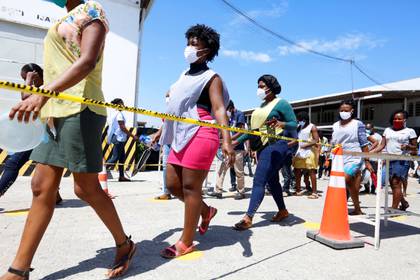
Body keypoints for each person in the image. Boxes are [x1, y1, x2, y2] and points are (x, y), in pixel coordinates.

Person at [1, 1, 135, 279]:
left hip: (80, 109)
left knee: (85, 189)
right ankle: (19, 269)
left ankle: (125, 244)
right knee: (41, 186)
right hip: (54, 111)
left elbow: (87, 61)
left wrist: (43, 94)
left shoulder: (92, 12)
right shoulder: (65, 17)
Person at [158, 24, 234, 258]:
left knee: (191, 187)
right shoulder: (182, 76)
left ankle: (186, 241)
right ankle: (206, 210)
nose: (189, 47)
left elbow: (219, 108)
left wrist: (227, 140)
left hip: (202, 131)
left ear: (207, 50)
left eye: (195, 43)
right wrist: (160, 131)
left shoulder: (212, 78)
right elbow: (175, 106)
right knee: (172, 185)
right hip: (180, 131)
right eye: (188, 42)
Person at [232, 74, 297, 230]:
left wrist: (281, 123)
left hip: (276, 146)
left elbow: (293, 124)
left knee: (259, 180)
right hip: (262, 147)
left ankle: (248, 217)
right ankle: (283, 211)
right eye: (258, 86)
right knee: (272, 181)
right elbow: (255, 132)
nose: (259, 89)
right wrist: (236, 141)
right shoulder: (260, 107)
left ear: (271, 87)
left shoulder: (281, 103)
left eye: (262, 86)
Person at [0, 64, 62, 204]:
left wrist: (28, 81)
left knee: (13, 164)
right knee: (46, 167)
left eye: (25, 78)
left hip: (43, 135)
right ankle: (55, 196)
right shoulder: (43, 88)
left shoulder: (47, 86)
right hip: (40, 133)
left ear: (35, 75)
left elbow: (25, 98)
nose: (24, 82)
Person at [331, 100, 374, 215]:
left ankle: (338, 208)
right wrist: (328, 158)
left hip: (354, 158)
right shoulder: (335, 125)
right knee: (351, 185)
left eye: (346, 110)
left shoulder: (357, 124)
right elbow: (333, 143)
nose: (343, 112)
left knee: (343, 179)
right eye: (341, 110)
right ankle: (357, 209)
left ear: (352, 111)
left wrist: (367, 161)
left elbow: (364, 143)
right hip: (338, 158)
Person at [371, 110, 417, 210]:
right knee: (393, 185)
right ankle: (404, 203)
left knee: (396, 183)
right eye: (395, 118)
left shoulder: (410, 131)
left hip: (402, 160)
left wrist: (407, 146)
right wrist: (370, 153)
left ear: (404, 120)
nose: (396, 120)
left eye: (399, 119)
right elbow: (382, 145)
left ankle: (393, 209)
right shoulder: (387, 130)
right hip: (389, 160)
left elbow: (415, 148)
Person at [209, 101, 246, 199]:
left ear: (231, 108)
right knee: (222, 169)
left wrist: (230, 139)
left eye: (227, 110)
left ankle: (241, 191)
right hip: (228, 147)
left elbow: (241, 130)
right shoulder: (227, 117)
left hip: (237, 148)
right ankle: (218, 190)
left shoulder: (239, 114)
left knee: (239, 171)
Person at [106, 98, 138, 182]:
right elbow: (122, 127)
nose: (123, 105)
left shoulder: (114, 114)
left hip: (119, 137)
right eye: (122, 103)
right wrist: (132, 136)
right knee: (115, 157)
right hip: (118, 137)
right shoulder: (119, 114)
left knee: (122, 158)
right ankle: (100, 172)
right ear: (119, 104)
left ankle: (121, 176)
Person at [292, 111, 320, 198]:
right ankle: (298, 189)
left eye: (299, 120)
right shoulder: (299, 127)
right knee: (297, 170)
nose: (298, 121)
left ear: (304, 119)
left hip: (309, 151)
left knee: (311, 171)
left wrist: (307, 145)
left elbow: (316, 140)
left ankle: (314, 192)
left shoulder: (312, 127)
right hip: (299, 151)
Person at [151, 92, 172, 200]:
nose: (167, 99)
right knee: (165, 166)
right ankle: (166, 192)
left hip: (179, 141)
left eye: (169, 97)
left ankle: (184, 190)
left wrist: (158, 135)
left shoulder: (182, 108)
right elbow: (165, 124)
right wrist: (157, 135)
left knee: (180, 167)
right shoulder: (168, 109)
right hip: (167, 141)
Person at [363, 122, 382, 193]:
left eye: (368, 128)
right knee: (365, 174)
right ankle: (366, 189)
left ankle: (373, 189)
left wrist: (379, 158)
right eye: (366, 128)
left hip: (374, 158)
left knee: (374, 174)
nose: (367, 130)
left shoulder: (378, 137)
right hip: (366, 158)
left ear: (372, 128)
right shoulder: (364, 135)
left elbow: (380, 147)